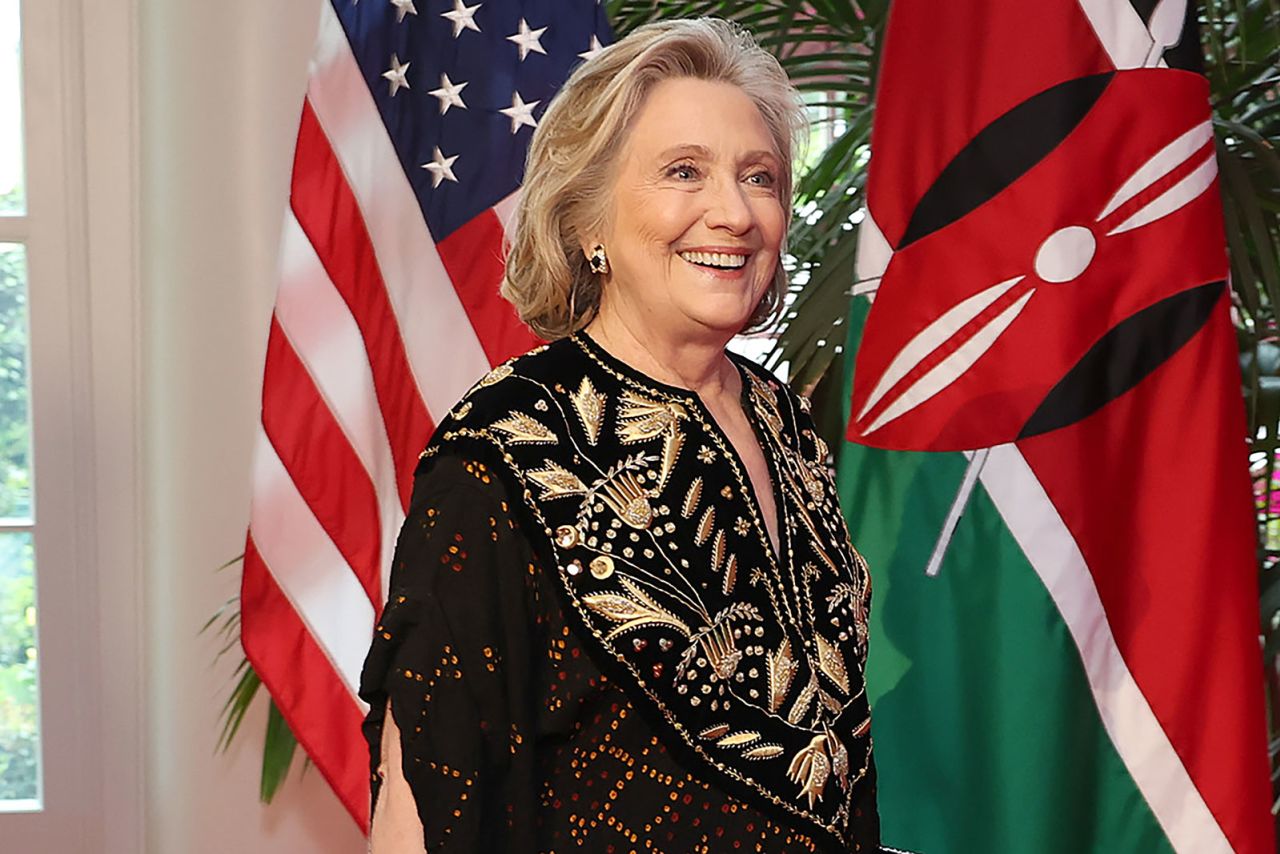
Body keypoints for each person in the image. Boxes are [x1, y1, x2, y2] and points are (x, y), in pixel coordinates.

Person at [360, 17, 879, 853]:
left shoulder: (787, 423)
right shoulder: (502, 443)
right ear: (590, 219)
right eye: (684, 172)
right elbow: (425, 794)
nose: (735, 213)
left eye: (761, 178)